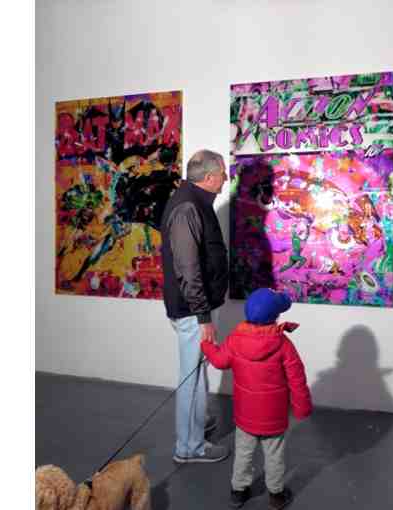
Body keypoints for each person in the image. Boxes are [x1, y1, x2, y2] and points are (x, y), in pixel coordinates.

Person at [201, 288, 313, 509]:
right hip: (274, 417)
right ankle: (276, 495)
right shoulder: (283, 345)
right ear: (275, 316)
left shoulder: (235, 340)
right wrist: (302, 408)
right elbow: (297, 379)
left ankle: (238, 492)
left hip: (246, 416)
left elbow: (220, 361)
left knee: (243, 453)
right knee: (274, 455)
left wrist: (206, 346)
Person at [160, 149, 230, 463]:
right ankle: (189, 447)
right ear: (209, 177)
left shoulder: (196, 202)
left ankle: (196, 423)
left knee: (198, 370)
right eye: (223, 173)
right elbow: (188, 268)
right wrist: (203, 316)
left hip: (196, 309)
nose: (226, 179)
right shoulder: (188, 207)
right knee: (192, 375)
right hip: (193, 312)